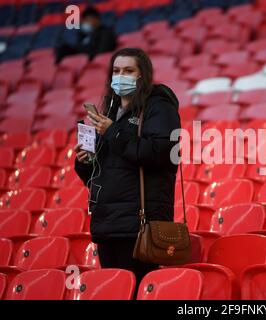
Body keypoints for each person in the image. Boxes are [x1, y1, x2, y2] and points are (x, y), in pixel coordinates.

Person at [73, 47, 181, 296]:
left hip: (139, 225)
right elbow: (96, 177)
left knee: (138, 292)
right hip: (107, 224)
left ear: (143, 75)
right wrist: (85, 161)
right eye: (117, 71)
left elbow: (161, 153)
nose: (121, 76)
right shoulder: (109, 114)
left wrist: (112, 132)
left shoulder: (158, 107)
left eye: (129, 70)